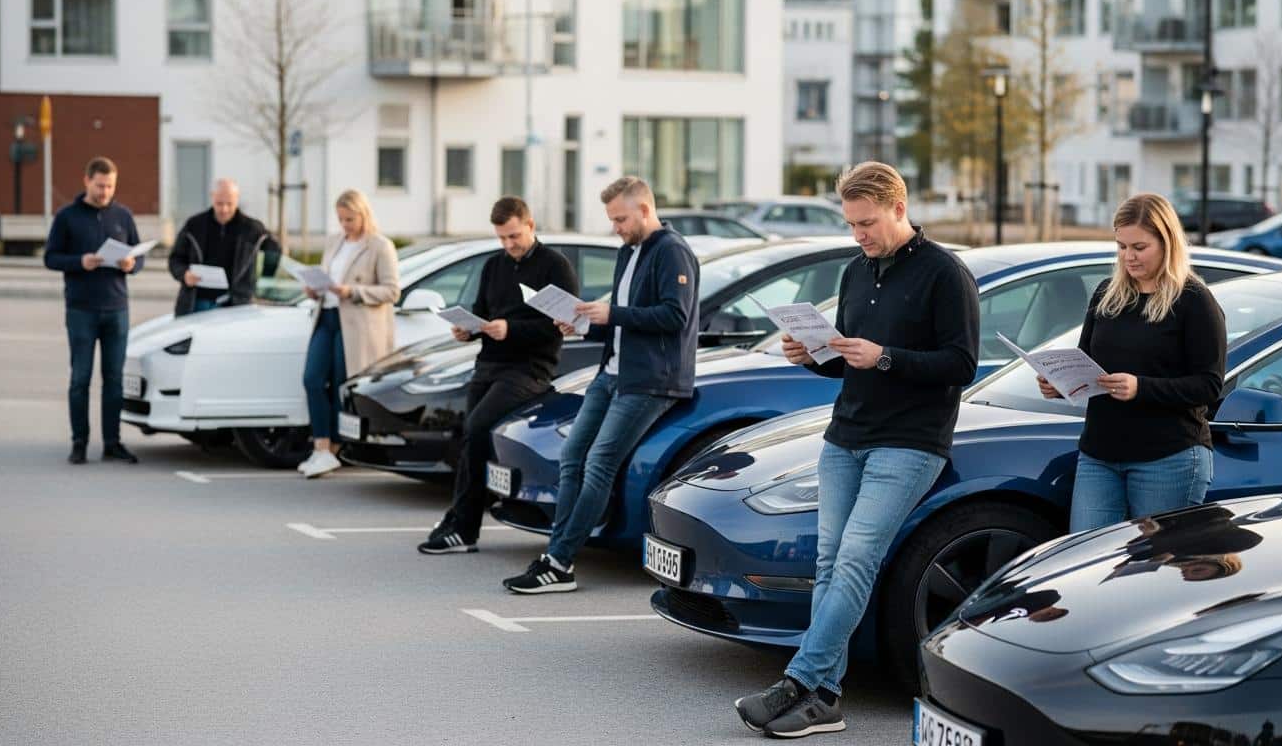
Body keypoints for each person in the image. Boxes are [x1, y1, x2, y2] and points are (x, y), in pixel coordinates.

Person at [736, 161, 980, 738]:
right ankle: (825, 697)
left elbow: (961, 364)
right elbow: (850, 358)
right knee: (828, 564)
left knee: (854, 560)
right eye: (851, 225)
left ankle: (799, 680)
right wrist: (815, 355)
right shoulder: (855, 270)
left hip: (910, 442)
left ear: (899, 208)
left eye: (866, 223)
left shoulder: (946, 273)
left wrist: (887, 356)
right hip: (846, 436)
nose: (859, 235)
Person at [500, 176, 699, 594]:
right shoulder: (628, 251)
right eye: (612, 220)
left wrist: (612, 314)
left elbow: (674, 317)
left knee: (599, 464)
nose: (616, 228)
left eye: (621, 219)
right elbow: (618, 323)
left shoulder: (673, 252)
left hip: (649, 382)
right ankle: (557, 556)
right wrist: (581, 324)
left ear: (645, 210)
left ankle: (559, 561)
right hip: (611, 373)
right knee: (572, 456)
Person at [1039, 192, 1226, 533]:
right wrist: (1060, 384)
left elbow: (1209, 385)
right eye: (1121, 246)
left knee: (1156, 569)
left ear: (1166, 242)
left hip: (1168, 458)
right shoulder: (1106, 294)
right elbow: (1087, 365)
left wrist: (1141, 388)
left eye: (1139, 247)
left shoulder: (1194, 301)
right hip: (1099, 454)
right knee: (1083, 561)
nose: (1128, 256)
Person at [417, 196, 580, 555]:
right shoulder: (494, 266)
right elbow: (480, 312)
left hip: (530, 369)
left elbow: (558, 328)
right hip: (489, 364)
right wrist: (467, 330)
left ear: (531, 225)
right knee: (469, 435)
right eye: (502, 238)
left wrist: (511, 329)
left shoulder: (556, 266)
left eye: (514, 236)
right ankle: (460, 522)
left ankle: (462, 525)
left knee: (477, 429)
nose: (509, 245)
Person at [43, 157, 144, 465]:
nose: (105, 192)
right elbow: (50, 257)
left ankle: (112, 443)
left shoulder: (123, 216)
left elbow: (139, 257)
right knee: (80, 379)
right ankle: (79, 442)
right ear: (86, 181)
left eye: (110, 186)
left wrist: (131, 264)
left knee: (114, 380)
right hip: (81, 310)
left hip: (117, 310)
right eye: (100, 185)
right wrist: (80, 262)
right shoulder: (67, 217)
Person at [299, 190, 401, 478]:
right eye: (341, 219)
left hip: (356, 324)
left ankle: (332, 450)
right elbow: (326, 276)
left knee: (342, 383)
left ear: (363, 214)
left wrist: (352, 291)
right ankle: (320, 447)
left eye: (350, 219)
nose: (345, 225)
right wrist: (313, 288)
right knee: (313, 379)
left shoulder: (380, 246)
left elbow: (392, 290)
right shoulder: (335, 242)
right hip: (327, 316)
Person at [168, 178, 281, 315]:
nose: (224, 209)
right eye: (219, 203)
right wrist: (184, 274)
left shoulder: (252, 229)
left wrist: (264, 282)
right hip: (196, 303)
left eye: (229, 204)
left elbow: (274, 251)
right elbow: (175, 259)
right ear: (212, 197)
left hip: (237, 304)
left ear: (237, 199)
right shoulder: (194, 225)